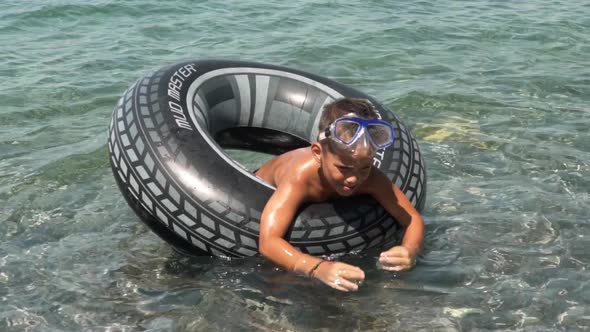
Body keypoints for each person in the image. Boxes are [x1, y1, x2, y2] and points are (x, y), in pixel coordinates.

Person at [255, 97, 425, 292]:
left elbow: (412, 218)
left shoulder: (372, 178)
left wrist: (410, 249)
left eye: (365, 167)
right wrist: (317, 268)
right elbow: (268, 242)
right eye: (343, 168)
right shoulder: (300, 177)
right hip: (251, 192)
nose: (354, 178)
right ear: (318, 153)